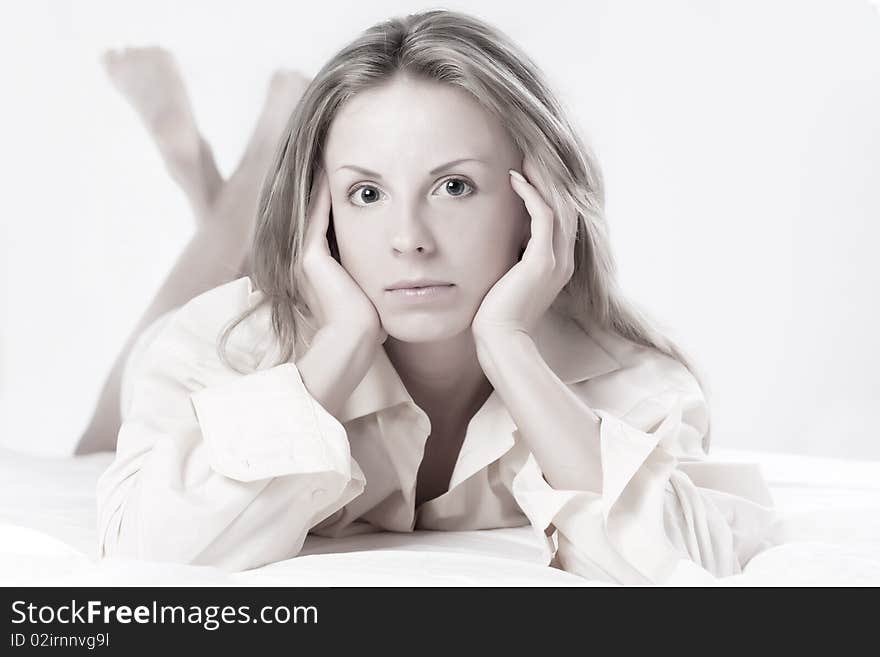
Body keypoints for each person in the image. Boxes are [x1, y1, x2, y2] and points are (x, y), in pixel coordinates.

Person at [95, 9, 782, 584]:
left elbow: (695, 567)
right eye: (366, 193)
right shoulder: (223, 342)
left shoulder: (632, 377)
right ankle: (224, 186)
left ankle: (218, 189)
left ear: (538, 202)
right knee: (97, 433)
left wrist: (510, 347)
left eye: (453, 186)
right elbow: (148, 555)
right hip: (254, 330)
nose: (408, 239)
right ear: (324, 215)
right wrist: (339, 344)